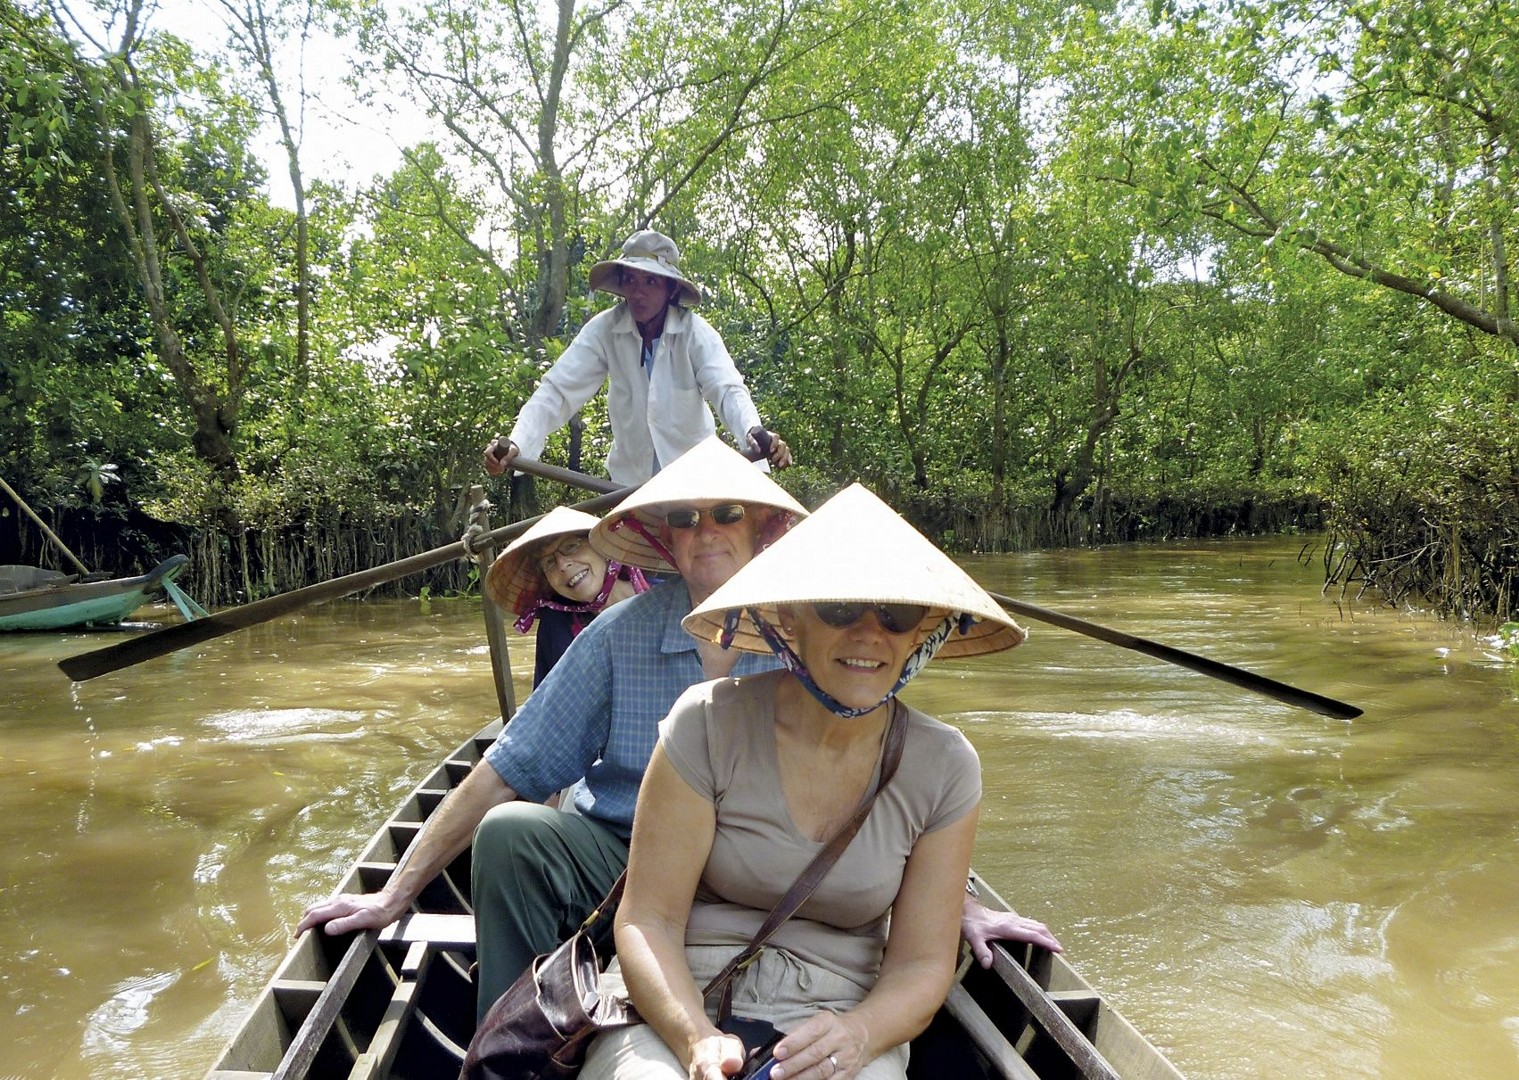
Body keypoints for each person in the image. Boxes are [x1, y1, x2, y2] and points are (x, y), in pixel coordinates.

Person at [298, 437, 809, 1020]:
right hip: (625, 856)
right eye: (685, 519)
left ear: (761, 526)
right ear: (666, 538)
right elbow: (508, 768)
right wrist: (395, 893)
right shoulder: (619, 634)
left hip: (761, 865)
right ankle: (510, 1042)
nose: (707, 531)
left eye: (727, 513)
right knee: (510, 830)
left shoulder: (808, 633)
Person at [578, 483, 1044, 1080]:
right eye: (840, 609)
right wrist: (694, 1038)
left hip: (844, 1016)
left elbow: (921, 965)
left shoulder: (946, 766)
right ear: (792, 622)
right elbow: (649, 922)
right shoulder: (705, 723)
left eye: (895, 615)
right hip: (681, 995)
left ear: (920, 636)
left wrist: (857, 1035)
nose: (870, 635)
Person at [482, 230, 792, 486]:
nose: (638, 293)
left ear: (670, 288)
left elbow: (727, 389)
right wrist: (516, 443)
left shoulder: (694, 333)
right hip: (630, 486)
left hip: (695, 481)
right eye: (630, 280)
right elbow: (557, 391)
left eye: (650, 282)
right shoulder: (604, 329)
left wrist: (753, 431)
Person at [484, 506, 650, 687]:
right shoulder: (555, 625)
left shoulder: (667, 598)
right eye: (549, 562)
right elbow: (546, 704)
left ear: (601, 547)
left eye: (571, 546)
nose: (562, 565)